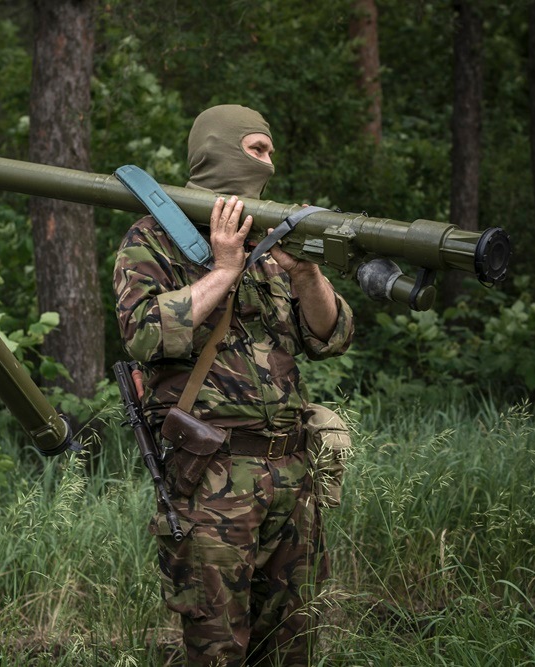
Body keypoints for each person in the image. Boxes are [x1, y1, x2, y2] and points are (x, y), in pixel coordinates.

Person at [113, 104, 355, 665]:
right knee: (218, 647)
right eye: (257, 150)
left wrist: (306, 273)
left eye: (270, 150)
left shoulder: (274, 239)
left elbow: (331, 335)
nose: (270, 164)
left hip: (293, 476)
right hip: (213, 479)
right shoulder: (152, 238)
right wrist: (223, 270)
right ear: (217, 150)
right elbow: (145, 335)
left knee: (295, 642)